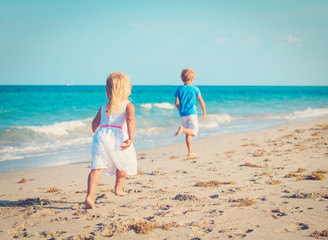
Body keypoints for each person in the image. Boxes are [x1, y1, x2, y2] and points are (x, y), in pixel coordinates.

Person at [85, 72, 137, 209]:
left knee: (97, 166)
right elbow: (131, 120)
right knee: (123, 163)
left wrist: (95, 130)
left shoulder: (105, 105)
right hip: (119, 136)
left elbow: (95, 123)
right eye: (129, 84)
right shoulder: (128, 105)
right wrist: (131, 138)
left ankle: (90, 196)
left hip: (101, 136)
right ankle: (118, 189)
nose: (131, 85)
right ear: (124, 88)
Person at [174, 68, 206, 156]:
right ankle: (182, 130)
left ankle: (190, 151)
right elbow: (201, 101)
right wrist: (204, 112)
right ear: (192, 79)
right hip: (192, 113)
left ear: (182, 79)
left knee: (188, 132)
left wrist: (178, 108)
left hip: (183, 114)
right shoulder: (195, 89)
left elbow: (176, 102)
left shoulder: (179, 89)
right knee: (193, 132)